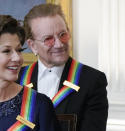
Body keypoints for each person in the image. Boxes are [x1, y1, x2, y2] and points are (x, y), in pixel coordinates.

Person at [17, 3, 108, 131]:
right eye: (49, 39)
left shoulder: (92, 80)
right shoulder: (16, 79)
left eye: (62, 35)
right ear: (32, 46)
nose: (59, 44)